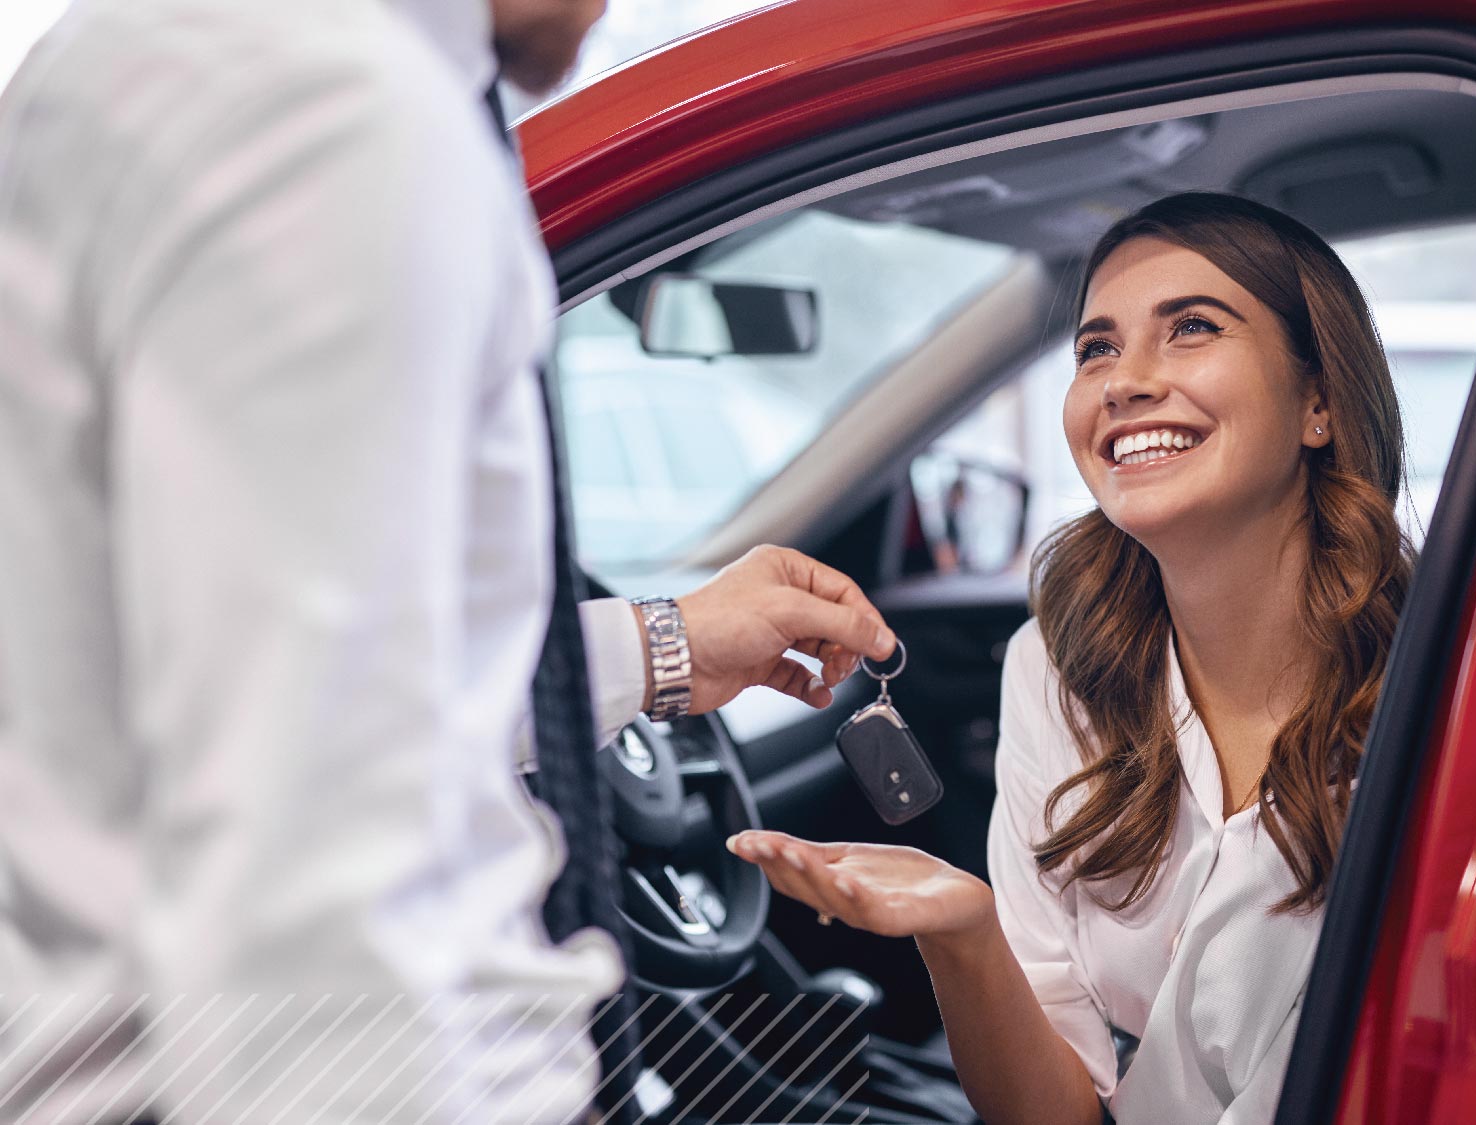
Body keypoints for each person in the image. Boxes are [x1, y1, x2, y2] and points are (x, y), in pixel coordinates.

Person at [0, 1, 896, 1122]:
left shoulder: (167, 61)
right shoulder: (327, 111)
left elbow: (322, 688)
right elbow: (318, 934)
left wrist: (663, 646)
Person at [730, 191, 1412, 1124]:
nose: (1124, 381)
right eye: (1096, 347)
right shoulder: (1057, 669)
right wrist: (965, 936)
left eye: (1192, 328)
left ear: (1319, 403)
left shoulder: (1440, 682)